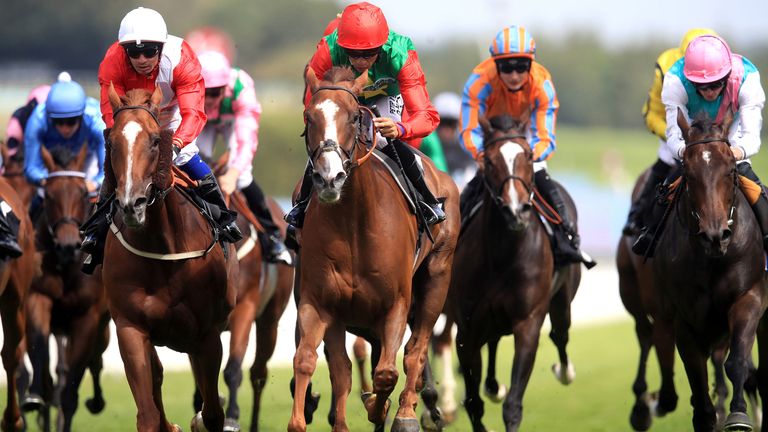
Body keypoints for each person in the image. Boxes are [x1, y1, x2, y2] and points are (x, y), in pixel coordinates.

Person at [80, 6, 243, 274]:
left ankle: (223, 219)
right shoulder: (112, 61)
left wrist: (176, 143)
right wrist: (124, 141)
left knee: (189, 156)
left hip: (172, 116)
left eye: (149, 51)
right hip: (131, 117)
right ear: (124, 51)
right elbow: (110, 113)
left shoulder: (182, 58)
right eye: (134, 52)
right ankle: (96, 235)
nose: (142, 58)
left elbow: (194, 112)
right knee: (115, 161)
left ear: (161, 47)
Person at [285, 1, 444, 229]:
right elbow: (312, 101)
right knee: (328, 142)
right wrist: (320, 127)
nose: (360, 61)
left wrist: (400, 129)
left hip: (385, 97)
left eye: (369, 53)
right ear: (342, 45)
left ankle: (426, 201)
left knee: (380, 139)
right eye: (353, 53)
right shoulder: (328, 49)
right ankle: (302, 205)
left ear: (382, 46)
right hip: (342, 96)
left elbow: (427, 115)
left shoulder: (401, 55)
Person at [459, 25, 587, 265]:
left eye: (521, 66)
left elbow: (545, 136)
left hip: (526, 137)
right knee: (472, 188)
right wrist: (482, 155)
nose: (514, 74)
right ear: (495, 64)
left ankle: (567, 238)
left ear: (531, 64)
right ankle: (452, 240)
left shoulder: (542, 83)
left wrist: (526, 156)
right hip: (493, 139)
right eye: (507, 67)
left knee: (541, 175)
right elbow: (469, 129)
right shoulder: (478, 81)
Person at [632, 34, 767, 256]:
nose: (709, 92)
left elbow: (752, 138)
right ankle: (650, 234)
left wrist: (730, 153)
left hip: (730, 135)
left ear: (727, 76)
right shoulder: (675, 81)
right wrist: (693, 154)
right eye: (701, 86)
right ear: (690, 80)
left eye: (716, 85)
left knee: (750, 180)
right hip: (694, 137)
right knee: (667, 186)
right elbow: (674, 134)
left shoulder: (748, 80)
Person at [196, 50, 291, 265]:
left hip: (233, 122)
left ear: (225, 88)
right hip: (200, 122)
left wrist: (233, 173)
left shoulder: (240, 88)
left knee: (242, 177)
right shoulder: (190, 88)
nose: (210, 98)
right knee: (191, 166)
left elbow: (245, 140)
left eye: (216, 92)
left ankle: (273, 236)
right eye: (205, 92)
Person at [623, 28, 717, 236]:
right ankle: (639, 218)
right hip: (676, 135)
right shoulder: (668, 72)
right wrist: (675, 137)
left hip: (714, 138)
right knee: (663, 165)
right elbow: (651, 114)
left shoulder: (725, 69)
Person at [433, 91, 476, 189]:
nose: (446, 130)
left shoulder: (468, 147)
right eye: (442, 123)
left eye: (450, 124)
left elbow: (471, 173)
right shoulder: (425, 145)